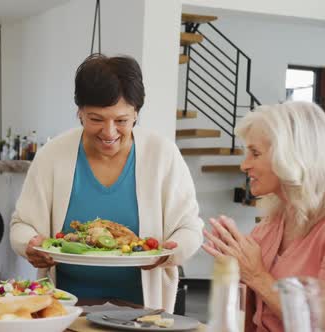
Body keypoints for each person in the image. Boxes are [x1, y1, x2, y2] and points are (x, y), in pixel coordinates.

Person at [10, 54, 204, 312]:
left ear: (136, 113)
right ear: (80, 113)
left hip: (143, 311)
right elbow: (21, 225)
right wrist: (30, 243)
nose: (109, 132)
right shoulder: (53, 155)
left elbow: (189, 229)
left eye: (121, 120)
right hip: (67, 309)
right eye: (96, 119)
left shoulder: (163, 155)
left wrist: (170, 251)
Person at [202, 101, 325, 332]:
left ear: (291, 156)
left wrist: (257, 275)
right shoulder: (274, 221)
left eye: (255, 153)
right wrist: (233, 266)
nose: (244, 165)